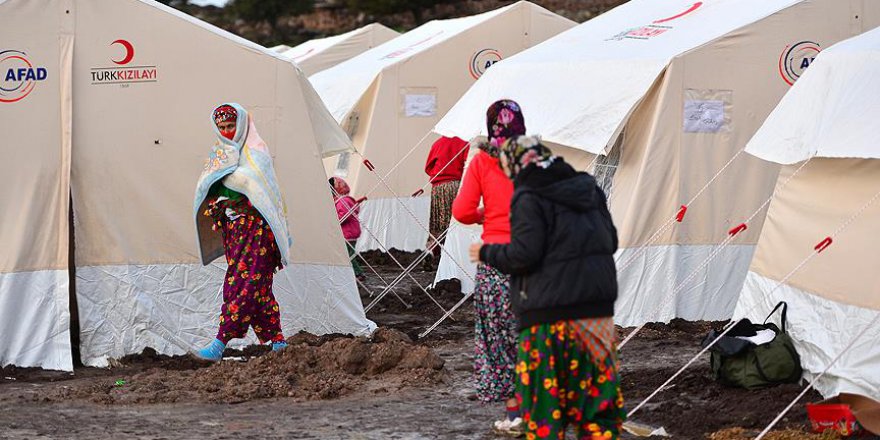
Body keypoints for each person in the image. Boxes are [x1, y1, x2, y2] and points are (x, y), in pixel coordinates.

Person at [470, 135, 626, 439]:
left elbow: (524, 255)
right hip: (596, 317)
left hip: (548, 319)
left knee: (545, 410)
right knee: (597, 407)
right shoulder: (589, 189)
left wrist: (486, 253)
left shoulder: (529, 195)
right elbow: (612, 241)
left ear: (517, 165)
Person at [192, 103, 293, 362]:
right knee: (258, 287)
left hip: (258, 231)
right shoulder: (219, 154)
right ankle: (278, 340)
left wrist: (234, 201)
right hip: (235, 233)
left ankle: (220, 340)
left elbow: (265, 193)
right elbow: (209, 188)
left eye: (230, 126)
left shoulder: (256, 152)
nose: (226, 132)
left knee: (242, 284)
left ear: (242, 125)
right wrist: (219, 204)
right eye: (221, 127)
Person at [451, 99, 524, 433]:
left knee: (500, 338)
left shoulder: (481, 160)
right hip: (532, 255)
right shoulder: (534, 160)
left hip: (494, 258)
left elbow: (462, 211)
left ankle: (515, 414)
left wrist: (486, 215)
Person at [424, 136, 469, 259]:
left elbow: (428, 167)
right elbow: (468, 165)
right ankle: (453, 252)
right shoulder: (465, 142)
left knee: (437, 220)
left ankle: (434, 250)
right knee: (454, 220)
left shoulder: (437, 143)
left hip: (437, 186)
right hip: (455, 184)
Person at [330, 176, 365, 281]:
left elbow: (344, 215)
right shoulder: (344, 200)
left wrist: (333, 221)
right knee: (348, 254)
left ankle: (358, 273)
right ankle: (352, 273)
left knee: (347, 255)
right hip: (350, 232)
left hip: (347, 233)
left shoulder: (343, 201)